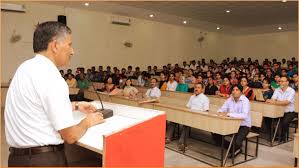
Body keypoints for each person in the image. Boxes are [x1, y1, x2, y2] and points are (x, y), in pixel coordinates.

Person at [4, 21, 104, 167]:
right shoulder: (52, 77)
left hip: (17, 159)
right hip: (44, 161)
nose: (72, 51)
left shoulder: (24, 68)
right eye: (69, 44)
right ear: (55, 45)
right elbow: (70, 135)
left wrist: (75, 106)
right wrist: (87, 122)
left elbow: (36, 107)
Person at [166, 83, 209, 151]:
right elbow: (187, 107)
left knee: (186, 123)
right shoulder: (192, 97)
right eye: (195, 87)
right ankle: (168, 138)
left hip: (197, 116)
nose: (196, 89)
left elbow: (206, 111)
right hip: (188, 114)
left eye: (198, 87)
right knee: (174, 118)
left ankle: (182, 143)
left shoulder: (205, 98)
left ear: (202, 89)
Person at [212, 85, 251, 157]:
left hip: (243, 125)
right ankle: (233, 147)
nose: (234, 92)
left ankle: (235, 147)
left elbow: (244, 115)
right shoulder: (230, 99)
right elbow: (222, 109)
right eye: (233, 90)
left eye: (237, 90)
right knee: (215, 133)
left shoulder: (245, 100)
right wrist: (219, 112)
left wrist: (229, 114)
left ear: (241, 92)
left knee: (236, 142)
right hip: (231, 123)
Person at [266, 76, 297, 142]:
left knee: (284, 122)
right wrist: (275, 101)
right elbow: (272, 99)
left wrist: (275, 102)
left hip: (289, 112)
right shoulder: (277, 89)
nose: (280, 83)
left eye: (282, 81)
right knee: (267, 118)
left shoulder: (291, 91)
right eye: (280, 81)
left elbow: (286, 102)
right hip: (278, 110)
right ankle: (274, 135)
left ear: (287, 82)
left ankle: (283, 138)